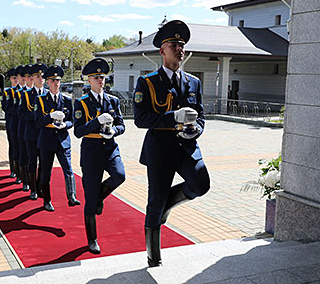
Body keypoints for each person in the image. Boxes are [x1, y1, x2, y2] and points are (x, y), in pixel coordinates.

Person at [133, 20, 210, 267]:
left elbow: (201, 115)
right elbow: (141, 119)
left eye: (182, 44)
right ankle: (153, 256)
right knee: (154, 202)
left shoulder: (194, 82)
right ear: (162, 51)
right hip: (160, 150)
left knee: (201, 184)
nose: (180, 49)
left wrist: (196, 129)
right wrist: (172, 118)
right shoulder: (148, 82)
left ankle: (168, 203)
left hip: (186, 147)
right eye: (174, 44)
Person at [73, 58, 126, 254]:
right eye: (96, 77)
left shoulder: (113, 101)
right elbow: (78, 131)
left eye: (102, 77)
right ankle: (92, 239)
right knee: (89, 198)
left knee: (120, 175)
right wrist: (96, 121)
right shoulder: (81, 103)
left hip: (110, 148)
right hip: (91, 152)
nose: (100, 80)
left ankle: (99, 198)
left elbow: (122, 125)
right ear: (89, 80)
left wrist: (115, 132)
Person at [35, 65, 80, 211]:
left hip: (62, 140)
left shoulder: (67, 100)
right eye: (53, 80)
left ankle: (71, 196)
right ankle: (47, 200)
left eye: (58, 80)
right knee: (46, 171)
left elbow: (72, 121)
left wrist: (65, 125)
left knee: (68, 169)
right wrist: (50, 117)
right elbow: (37, 122)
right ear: (47, 82)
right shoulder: (40, 100)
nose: (56, 83)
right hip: (47, 140)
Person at [22, 62, 48, 199]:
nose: (40, 79)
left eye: (42, 76)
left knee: (44, 163)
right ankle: (33, 189)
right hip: (31, 134)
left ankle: (40, 188)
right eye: (37, 76)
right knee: (32, 162)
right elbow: (22, 114)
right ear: (33, 78)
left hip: (45, 134)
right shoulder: (26, 95)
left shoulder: (49, 94)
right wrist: (38, 116)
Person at [16, 64, 33, 191]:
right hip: (23, 127)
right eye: (29, 76)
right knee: (24, 154)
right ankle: (24, 179)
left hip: (38, 130)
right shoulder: (21, 93)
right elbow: (19, 112)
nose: (31, 78)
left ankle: (35, 183)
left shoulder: (41, 93)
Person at [10, 65, 26, 184]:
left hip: (28, 125)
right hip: (15, 123)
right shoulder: (12, 92)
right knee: (15, 147)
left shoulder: (30, 91)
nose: (22, 79)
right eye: (20, 77)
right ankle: (16, 171)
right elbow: (9, 108)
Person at [2, 67, 18, 178]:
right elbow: (6, 107)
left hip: (22, 123)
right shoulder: (8, 92)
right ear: (10, 79)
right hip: (12, 123)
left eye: (18, 77)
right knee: (13, 146)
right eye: (14, 78)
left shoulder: (23, 92)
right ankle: (13, 169)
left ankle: (21, 171)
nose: (16, 80)